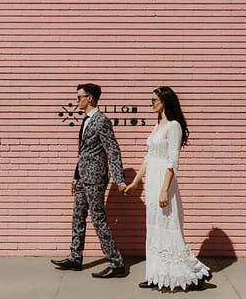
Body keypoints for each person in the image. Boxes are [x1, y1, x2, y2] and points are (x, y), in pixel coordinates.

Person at [124, 86, 212, 291]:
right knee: (154, 229)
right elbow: (149, 157)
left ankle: (197, 273)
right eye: (151, 100)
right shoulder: (158, 126)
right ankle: (157, 274)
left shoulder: (174, 127)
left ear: (165, 101)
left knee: (168, 228)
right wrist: (136, 182)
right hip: (153, 181)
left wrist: (165, 189)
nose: (151, 103)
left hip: (164, 182)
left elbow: (173, 161)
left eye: (154, 100)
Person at [51, 83, 128, 278]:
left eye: (79, 97)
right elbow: (83, 153)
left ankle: (116, 262)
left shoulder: (101, 120)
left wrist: (119, 179)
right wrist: (75, 176)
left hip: (95, 179)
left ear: (90, 98)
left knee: (98, 219)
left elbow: (113, 150)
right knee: (77, 217)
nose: (77, 100)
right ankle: (75, 258)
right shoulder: (85, 120)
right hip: (82, 178)